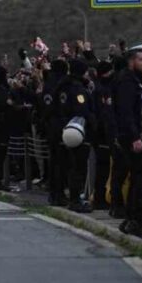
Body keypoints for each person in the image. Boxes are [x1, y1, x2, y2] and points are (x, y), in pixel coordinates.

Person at [115, 48, 142, 238]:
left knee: (139, 178)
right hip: (133, 138)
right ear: (131, 61)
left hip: (136, 135)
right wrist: (135, 136)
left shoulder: (137, 80)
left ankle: (133, 218)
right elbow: (127, 111)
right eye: (141, 60)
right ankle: (136, 219)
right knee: (140, 178)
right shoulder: (127, 81)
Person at [56, 59, 94, 213]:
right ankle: (75, 200)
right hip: (78, 131)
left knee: (69, 166)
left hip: (65, 130)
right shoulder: (78, 89)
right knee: (78, 168)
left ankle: (71, 197)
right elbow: (82, 110)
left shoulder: (62, 86)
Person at [41, 59, 69, 205]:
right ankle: (58, 193)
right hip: (60, 127)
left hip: (51, 127)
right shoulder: (60, 84)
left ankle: (55, 193)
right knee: (60, 163)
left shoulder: (49, 83)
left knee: (55, 162)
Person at [92, 61, 117, 212]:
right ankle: (100, 198)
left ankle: (102, 197)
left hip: (104, 134)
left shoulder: (103, 88)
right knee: (103, 168)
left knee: (106, 168)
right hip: (102, 135)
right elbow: (102, 114)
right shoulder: (101, 90)